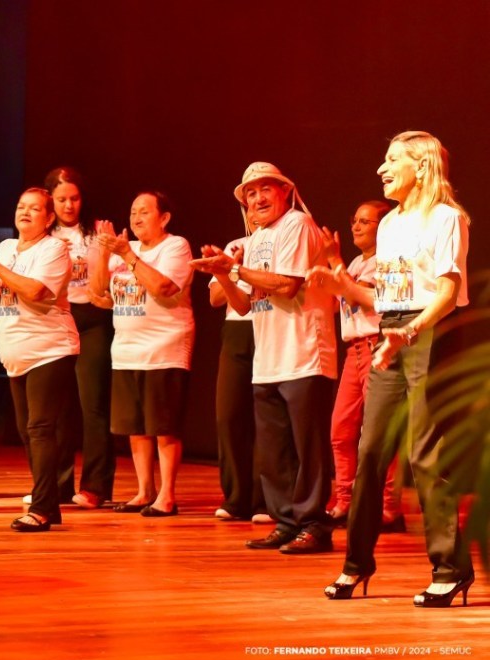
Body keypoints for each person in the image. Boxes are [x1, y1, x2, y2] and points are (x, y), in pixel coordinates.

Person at [311, 131, 472, 606]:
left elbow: (447, 290)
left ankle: (450, 567)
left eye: (392, 160)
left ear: (420, 167)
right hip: (393, 331)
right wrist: (343, 287)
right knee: (369, 453)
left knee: (425, 454)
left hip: (432, 332)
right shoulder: (390, 226)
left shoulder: (448, 219)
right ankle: (356, 566)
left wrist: (412, 331)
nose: (381, 169)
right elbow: (386, 297)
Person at [191, 162, 338, 554]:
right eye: (250, 193)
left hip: (304, 352)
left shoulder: (297, 226)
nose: (257, 198)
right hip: (268, 358)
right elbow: (240, 305)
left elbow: (288, 286)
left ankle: (314, 526)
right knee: (274, 450)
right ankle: (287, 521)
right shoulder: (254, 239)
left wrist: (235, 267)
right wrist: (224, 274)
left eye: (265, 189)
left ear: (285, 192)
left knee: (307, 448)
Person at [0, 188, 79, 532]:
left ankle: (41, 508)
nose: (25, 213)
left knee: (40, 429)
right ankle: (49, 503)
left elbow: (37, 291)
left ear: (49, 218)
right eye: (20, 207)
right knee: (29, 434)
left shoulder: (54, 249)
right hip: (15, 355)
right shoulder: (7, 248)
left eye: (34, 209)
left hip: (49, 349)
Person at [89, 191, 194, 518]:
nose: (136, 218)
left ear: (164, 218)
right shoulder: (125, 249)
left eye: (144, 212)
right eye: (133, 211)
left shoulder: (175, 246)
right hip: (126, 350)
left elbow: (164, 287)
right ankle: (144, 490)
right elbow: (98, 294)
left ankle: (167, 495)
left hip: (165, 347)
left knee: (164, 426)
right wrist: (102, 254)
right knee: (136, 426)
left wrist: (129, 257)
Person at [311, 201, 403, 531]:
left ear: (385, 226)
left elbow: (357, 294)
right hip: (354, 351)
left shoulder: (388, 261)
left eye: (366, 221)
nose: (357, 226)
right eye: (355, 219)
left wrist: (333, 260)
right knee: (341, 430)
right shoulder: (354, 262)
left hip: (379, 346)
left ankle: (389, 509)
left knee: (379, 433)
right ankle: (345, 501)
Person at [44, 167, 114, 509]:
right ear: (50, 201)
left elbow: (103, 288)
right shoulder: (45, 234)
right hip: (57, 320)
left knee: (93, 405)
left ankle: (96, 487)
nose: (68, 205)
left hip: (92, 320)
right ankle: (56, 486)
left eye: (74, 198)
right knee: (58, 409)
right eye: (61, 199)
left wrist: (103, 249)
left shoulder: (97, 231)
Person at [209, 209, 270, 523]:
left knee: (265, 416)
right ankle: (236, 497)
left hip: (269, 325)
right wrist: (233, 268)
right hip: (236, 330)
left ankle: (265, 500)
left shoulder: (281, 242)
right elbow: (215, 299)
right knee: (229, 414)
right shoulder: (234, 245)